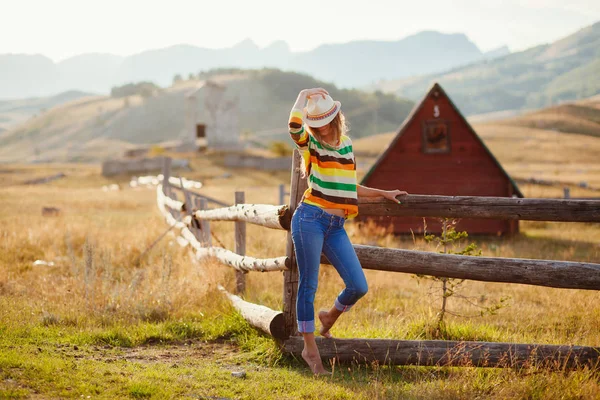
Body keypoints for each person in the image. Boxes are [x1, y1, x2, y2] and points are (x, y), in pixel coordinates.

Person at [288, 87, 408, 375]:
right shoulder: (311, 147)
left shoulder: (347, 145)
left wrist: (383, 193)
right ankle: (310, 349)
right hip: (310, 219)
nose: (322, 128)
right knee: (308, 285)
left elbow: (348, 187)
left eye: (325, 121)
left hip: (335, 226)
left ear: (335, 118)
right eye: (315, 123)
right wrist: (303, 95)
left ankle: (329, 317)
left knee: (358, 285)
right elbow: (294, 126)